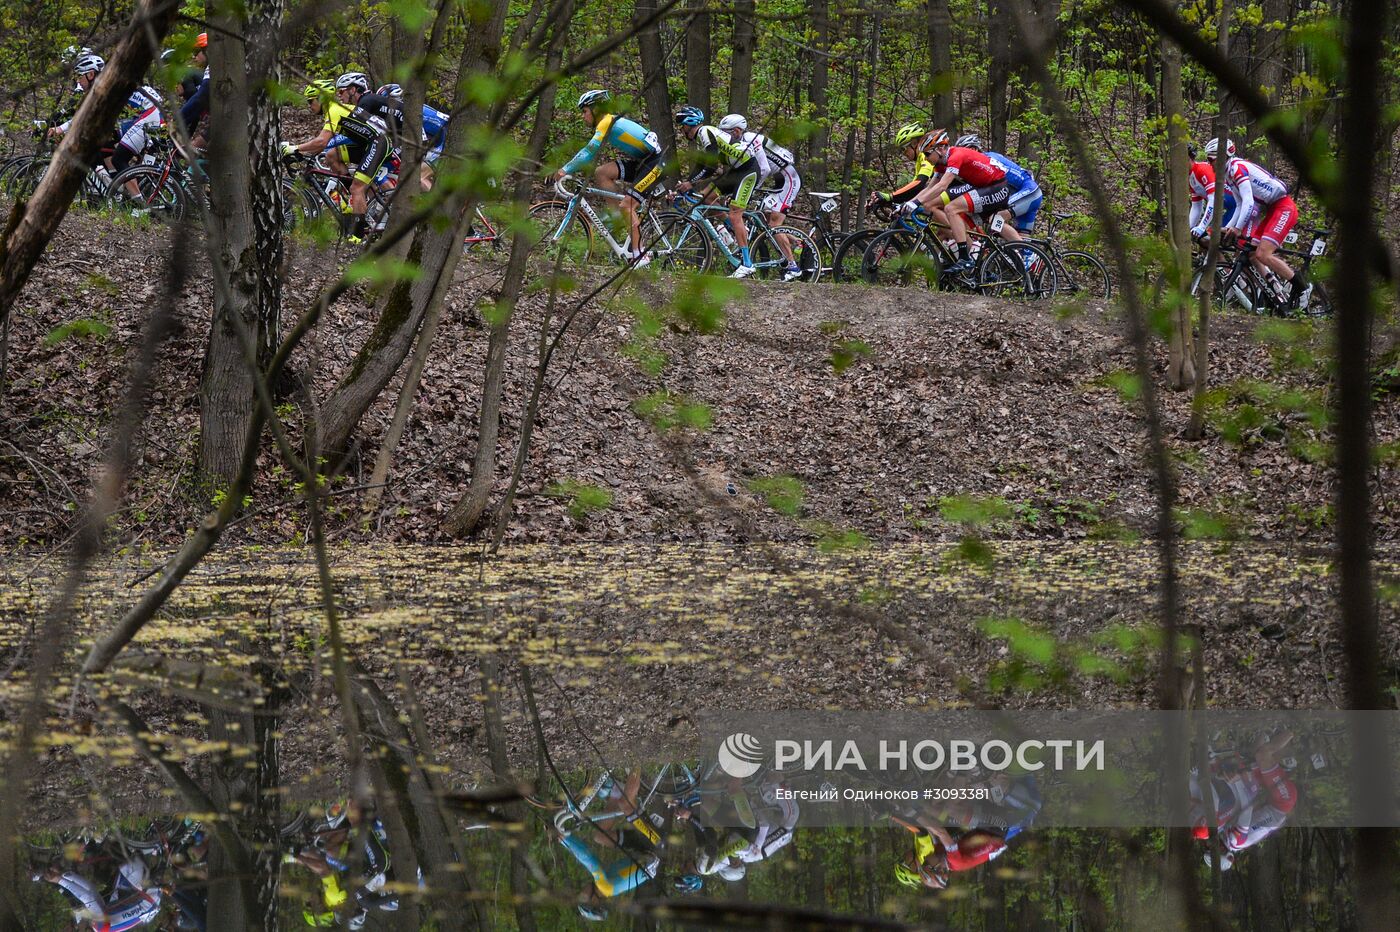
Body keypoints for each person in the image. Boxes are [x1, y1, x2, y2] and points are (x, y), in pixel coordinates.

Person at [554, 89, 664, 264]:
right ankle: (617, 218)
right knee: (601, 172)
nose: (583, 116)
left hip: (655, 163)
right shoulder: (607, 122)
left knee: (627, 206)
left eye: (585, 111)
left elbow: (589, 151)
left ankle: (640, 255)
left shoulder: (606, 121)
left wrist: (565, 170)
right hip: (643, 161)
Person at [1196, 138, 1305, 308]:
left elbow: (1248, 202)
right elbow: (1239, 205)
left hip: (1283, 207)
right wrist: (1228, 228)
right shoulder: (1228, 173)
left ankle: (1302, 288)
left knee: (1263, 254)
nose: (1209, 164)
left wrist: (1237, 228)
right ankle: (1276, 294)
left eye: (1211, 159)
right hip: (1271, 208)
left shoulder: (1236, 168)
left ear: (1223, 157)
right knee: (1252, 254)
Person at [555, 770, 661, 922]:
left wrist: (566, 842)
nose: (581, 894)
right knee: (626, 804)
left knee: (600, 837)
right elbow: (588, 859)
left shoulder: (608, 888)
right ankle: (636, 760)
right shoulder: (605, 887)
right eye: (583, 898)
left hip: (644, 849)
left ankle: (616, 791)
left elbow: (588, 858)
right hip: (653, 844)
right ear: (594, 901)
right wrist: (566, 840)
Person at [910, 128, 1017, 276]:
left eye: (928, 154)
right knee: (959, 225)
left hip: (997, 188)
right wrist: (909, 203)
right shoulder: (941, 163)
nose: (926, 158)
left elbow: (942, 186)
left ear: (940, 149)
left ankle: (965, 258)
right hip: (984, 188)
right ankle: (980, 269)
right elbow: (931, 187)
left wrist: (916, 203)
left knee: (951, 209)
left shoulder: (956, 155)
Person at [674, 107, 764, 278]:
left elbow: (711, 167)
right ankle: (735, 231)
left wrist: (690, 183)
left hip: (748, 171)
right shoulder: (704, 136)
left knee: (735, 213)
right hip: (736, 171)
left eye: (682, 126)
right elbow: (702, 165)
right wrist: (687, 183)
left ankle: (747, 264)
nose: (681, 130)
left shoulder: (705, 131)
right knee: (706, 197)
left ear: (688, 124)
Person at [50, 53, 164, 184]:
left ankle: (137, 200)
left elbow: (86, 117)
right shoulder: (101, 86)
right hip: (144, 115)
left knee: (119, 158)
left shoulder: (105, 88)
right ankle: (116, 185)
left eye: (79, 76)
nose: (77, 81)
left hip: (149, 115)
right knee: (103, 144)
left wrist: (60, 129)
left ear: (91, 74)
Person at [1192, 730, 1298, 870]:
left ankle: (1266, 726)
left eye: (1207, 848)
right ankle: (1293, 728)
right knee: (1263, 755)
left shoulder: (1228, 837)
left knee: (1249, 762)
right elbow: (1247, 807)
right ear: (1222, 851)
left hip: (1271, 801)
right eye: (1211, 849)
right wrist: (1236, 783)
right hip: (1283, 801)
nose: (1209, 844)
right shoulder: (1235, 840)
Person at [722, 114, 805, 281]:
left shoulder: (751, 139)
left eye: (727, 133)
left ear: (737, 131)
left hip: (789, 177)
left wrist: (750, 190)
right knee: (767, 219)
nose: (725, 137)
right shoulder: (742, 141)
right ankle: (796, 240)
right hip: (779, 178)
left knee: (774, 223)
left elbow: (765, 169)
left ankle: (793, 267)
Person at [955, 133, 1043, 237]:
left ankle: (1003, 251)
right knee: (1024, 247)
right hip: (1021, 194)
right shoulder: (980, 162)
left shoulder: (986, 160)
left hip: (1029, 192)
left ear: (973, 149)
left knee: (996, 219)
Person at [376, 83, 449, 191]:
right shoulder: (411, 109)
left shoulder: (409, 114)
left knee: (416, 178)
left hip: (445, 142)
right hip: (440, 140)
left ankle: (436, 206)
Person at [869, 122, 937, 211]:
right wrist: (891, 202)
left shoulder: (925, 155)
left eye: (904, 149)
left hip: (955, 191)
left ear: (914, 143)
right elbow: (914, 191)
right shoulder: (919, 160)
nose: (903, 153)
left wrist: (891, 196)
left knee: (931, 207)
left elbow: (919, 183)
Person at [1185, 142, 1237, 240]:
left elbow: (1213, 199)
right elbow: (1196, 207)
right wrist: (1187, 229)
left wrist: (1202, 226)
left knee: (1211, 238)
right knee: (1205, 240)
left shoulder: (1202, 169)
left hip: (1238, 207)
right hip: (1230, 208)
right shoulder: (1190, 178)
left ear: (1188, 158)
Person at [176, 34, 211, 148]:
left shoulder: (214, 68)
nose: (194, 56)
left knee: (195, 150)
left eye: (197, 51)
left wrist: (177, 118)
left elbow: (199, 98)